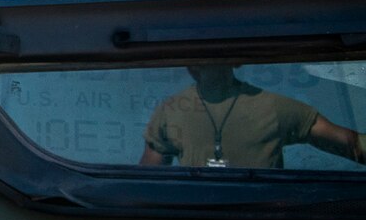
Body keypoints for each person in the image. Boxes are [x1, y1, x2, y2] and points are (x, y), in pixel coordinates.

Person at [139, 64, 366, 169]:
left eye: (212, 57)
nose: (202, 66)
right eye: (197, 59)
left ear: (234, 60)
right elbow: (147, 181)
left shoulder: (276, 107)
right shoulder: (172, 109)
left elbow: (351, 143)